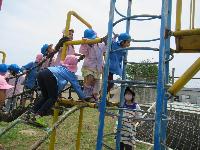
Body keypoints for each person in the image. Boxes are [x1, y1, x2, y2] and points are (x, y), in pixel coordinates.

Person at [26, 55, 90, 121]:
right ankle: (37, 116)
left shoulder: (59, 67)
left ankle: (30, 113)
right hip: (49, 76)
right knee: (53, 98)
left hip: (41, 73)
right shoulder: (70, 72)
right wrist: (83, 97)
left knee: (45, 97)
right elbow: (76, 86)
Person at [79, 28, 106, 100]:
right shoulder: (87, 45)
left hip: (98, 67)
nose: (92, 41)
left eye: (93, 38)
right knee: (90, 78)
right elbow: (82, 52)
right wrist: (84, 43)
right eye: (90, 40)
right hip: (89, 66)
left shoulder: (101, 44)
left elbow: (105, 50)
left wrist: (111, 39)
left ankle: (94, 95)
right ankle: (85, 94)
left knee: (97, 82)